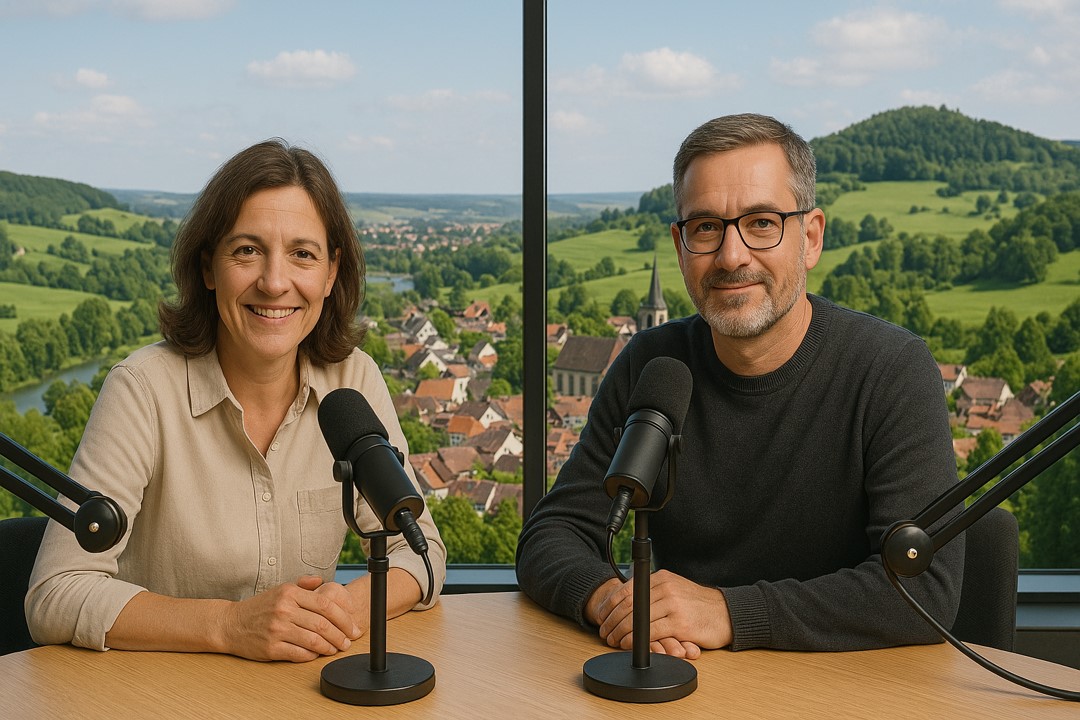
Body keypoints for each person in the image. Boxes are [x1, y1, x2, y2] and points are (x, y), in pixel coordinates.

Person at [516, 113, 962, 658]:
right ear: (681, 246)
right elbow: (552, 533)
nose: (731, 256)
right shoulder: (652, 366)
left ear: (811, 237)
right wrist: (617, 605)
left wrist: (729, 612)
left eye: (762, 222)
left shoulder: (891, 371)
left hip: (847, 695)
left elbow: (924, 587)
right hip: (689, 684)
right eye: (706, 227)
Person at [26, 139, 446, 662]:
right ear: (208, 268)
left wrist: (344, 611)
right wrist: (226, 625)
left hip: (298, 696)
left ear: (331, 272)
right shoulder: (142, 389)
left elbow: (422, 553)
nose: (274, 282)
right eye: (246, 251)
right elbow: (54, 594)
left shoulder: (353, 381)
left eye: (302, 254)